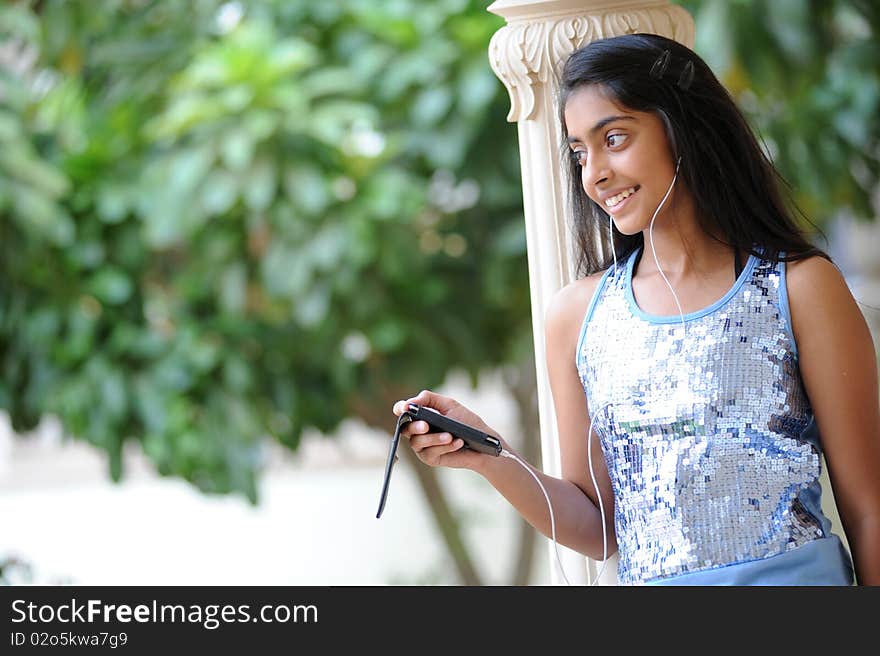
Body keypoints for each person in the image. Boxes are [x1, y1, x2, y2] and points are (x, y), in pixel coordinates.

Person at [392, 33, 880, 586]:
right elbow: (599, 526)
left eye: (614, 138)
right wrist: (488, 454)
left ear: (684, 130)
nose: (593, 173)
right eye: (579, 152)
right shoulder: (577, 316)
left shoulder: (800, 287)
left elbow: (869, 508)